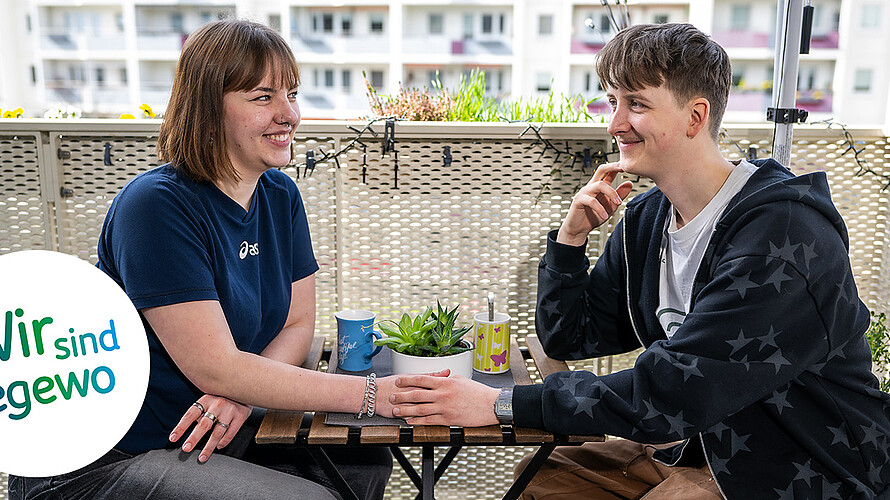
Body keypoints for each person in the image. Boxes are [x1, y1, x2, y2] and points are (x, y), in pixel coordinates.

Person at [389, 23, 890, 499]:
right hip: (690, 449)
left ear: (696, 116)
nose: (615, 124)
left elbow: (673, 390)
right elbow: (571, 337)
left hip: (793, 470)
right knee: (543, 480)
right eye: (612, 102)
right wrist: (569, 243)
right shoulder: (648, 220)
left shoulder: (782, 236)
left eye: (636, 104)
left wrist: (500, 403)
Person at [8, 19, 402, 500]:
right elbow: (214, 367)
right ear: (207, 109)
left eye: (291, 94)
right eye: (263, 98)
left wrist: (240, 389)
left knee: (365, 458)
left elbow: (299, 325)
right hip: (105, 460)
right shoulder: (155, 206)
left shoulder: (280, 195)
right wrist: (373, 394)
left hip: (209, 429)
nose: (289, 115)